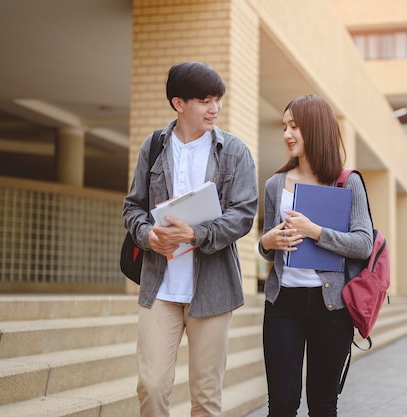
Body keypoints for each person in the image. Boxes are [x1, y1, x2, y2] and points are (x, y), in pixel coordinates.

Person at [122, 61, 258, 417]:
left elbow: (244, 214)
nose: (215, 108)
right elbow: (133, 207)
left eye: (218, 100)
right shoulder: (153, 146)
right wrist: (148, 236)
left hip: (212, 290)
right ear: (178, 103)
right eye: (205, 100)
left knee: (206, 395)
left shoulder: (235, 151)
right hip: (160, 286)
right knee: (150, 387)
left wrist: (197, 233)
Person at [257, 94, 373, 417]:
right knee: (281, 405)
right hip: (283, 305)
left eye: (295, 126)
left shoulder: (347, 182)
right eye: (284, 127)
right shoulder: (274, 185)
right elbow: (268, 250)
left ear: (316, 128)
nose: (287, 134)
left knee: (323, 405)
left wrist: (314, 231)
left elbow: (363, 243)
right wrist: (267, 241)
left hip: (332, 307)